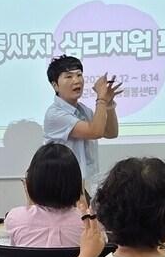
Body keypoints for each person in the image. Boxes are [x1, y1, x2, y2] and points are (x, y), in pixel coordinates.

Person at [42, 54, 121, 188]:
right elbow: (95, 132)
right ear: (55, 85)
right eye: (69, 76)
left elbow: (110, 133)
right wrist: (101, 99)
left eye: (79, 75)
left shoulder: (84, 111)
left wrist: (108, 104)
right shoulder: (55, 114)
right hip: (64, 186)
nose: (77, 80)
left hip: (88, 185)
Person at [5, 142, 87, 248]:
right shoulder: (88, 224)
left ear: (33, 181)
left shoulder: (15, 217)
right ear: (76, 182)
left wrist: (31, 198)